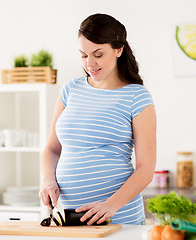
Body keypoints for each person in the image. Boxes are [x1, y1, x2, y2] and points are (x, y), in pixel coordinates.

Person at [39, 13, 156, 225]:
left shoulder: (137, 96)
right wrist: (47, 180)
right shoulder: (70, 90)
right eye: (83, 55)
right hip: (67, 218)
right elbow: (51, 149)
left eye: (98, 54)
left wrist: (110, 206)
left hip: (118, 218)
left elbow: (146, 169)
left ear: (118, 49)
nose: (89, 63)